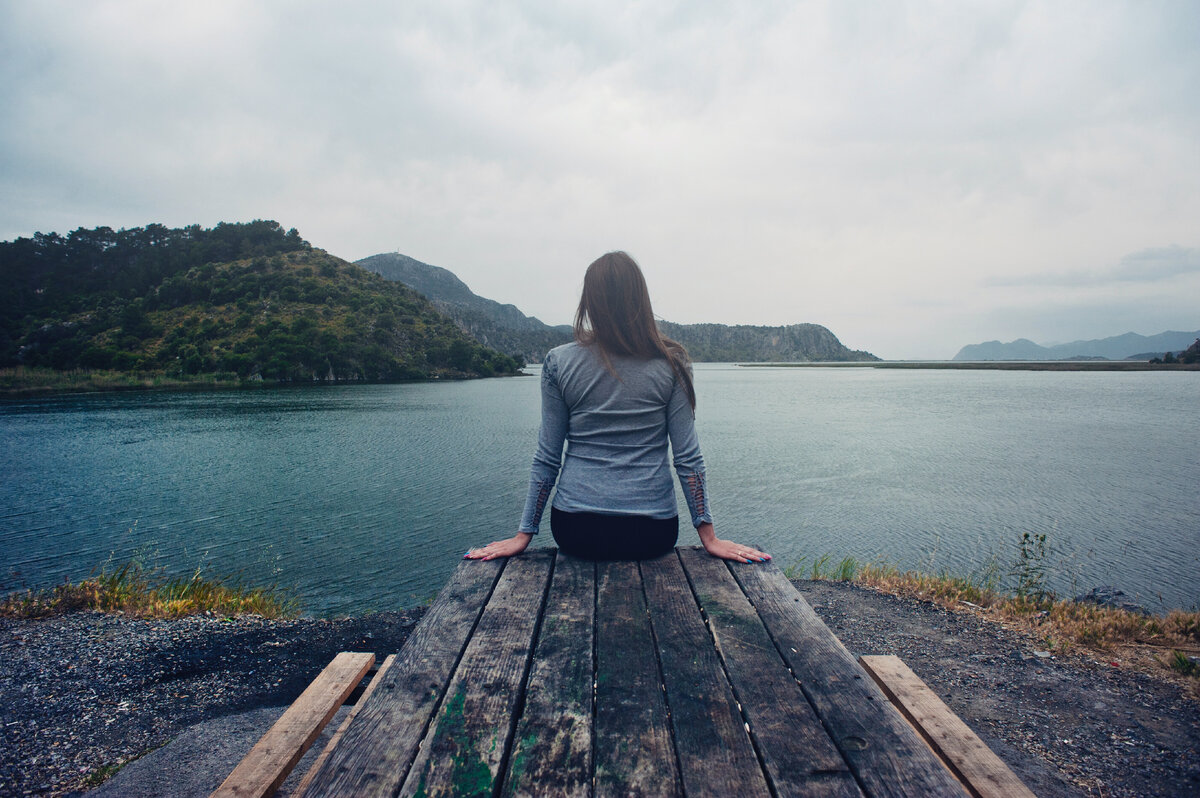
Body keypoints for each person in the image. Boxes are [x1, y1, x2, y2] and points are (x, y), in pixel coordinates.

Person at [465, 252, 770, 564]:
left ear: (590, 302)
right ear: (640, 299)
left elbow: (547, 457)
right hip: (653, 533)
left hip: (574, 529)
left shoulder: (559, 362)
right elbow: (688, 458)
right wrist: (709, 537)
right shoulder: (672, 364)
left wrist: (523, 534)